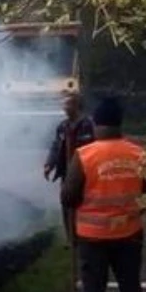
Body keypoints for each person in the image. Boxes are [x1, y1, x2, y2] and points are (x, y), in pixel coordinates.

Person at [60, 95, 146, 292]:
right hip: (129, 232)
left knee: (93, 289)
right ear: (120, 125)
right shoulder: (139, 154)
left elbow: (68, 196)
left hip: (92, 236)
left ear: (97, 125)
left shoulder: (85, 155)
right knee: (131, 287)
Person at [44, 93, 95, 241]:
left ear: (76, 105)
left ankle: (85, 236)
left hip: (83, 174)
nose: (64, 107)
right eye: (63, 104)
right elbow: (56, 146)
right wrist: (49, 164)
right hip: (66, 174)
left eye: (67, 104)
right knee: (66, 203)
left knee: (83, 206)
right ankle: (72, 238)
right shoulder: (62, 127)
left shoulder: (89, 125)